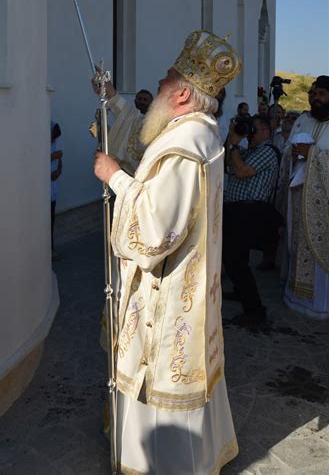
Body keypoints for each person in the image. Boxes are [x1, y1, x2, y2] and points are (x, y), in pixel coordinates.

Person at [94, 30, 241, 475]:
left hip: (171, 294)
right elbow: (144, 147)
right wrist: (113, 99)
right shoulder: (200, 134)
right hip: (193, 290)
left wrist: (116, 178)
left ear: (180, 94)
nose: (157, 84)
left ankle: (160, 463)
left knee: (161, 379)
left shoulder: (184, 148)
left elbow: (156, 232)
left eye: (164, 80)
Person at [222, 115, 281, 322]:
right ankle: (240, 293)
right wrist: (231, 140)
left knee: (236, 261)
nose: (249, 132)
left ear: (265, 131)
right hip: (237, 211)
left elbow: (242, 171)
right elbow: (228, 164)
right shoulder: (250, 150)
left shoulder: (267, 151)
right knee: (234, 258)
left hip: (249, 212)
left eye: (252, 129)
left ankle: (255, 311)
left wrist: (236, 146)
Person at [282, 75, 329, 320]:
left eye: (321, 93)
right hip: (301, 199)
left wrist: (314, 154)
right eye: (312, 93)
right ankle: (298, 297)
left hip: (326, 208)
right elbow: (287, 150)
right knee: (300, 247)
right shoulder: (304, 120)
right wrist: (295, 153)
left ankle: (323, 305)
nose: (315, 97)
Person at [92, 77, 153, 176]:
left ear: (151, 103)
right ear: (135, 100)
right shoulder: (129, 115)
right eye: (140, 99)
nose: (142, 102)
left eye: (145, 100)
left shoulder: (156, 122)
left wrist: (110, 91)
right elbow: (123, 109)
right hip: (123, 171)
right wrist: (109, 91)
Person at [50, 122, 63, 260]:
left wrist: (59, 170)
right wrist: (53, 156)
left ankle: (51, 249)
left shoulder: (55, 141)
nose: (54, 140)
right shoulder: (40, 142)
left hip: (52, 187)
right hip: (43, 188)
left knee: (51, 219)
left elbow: (60, 158)